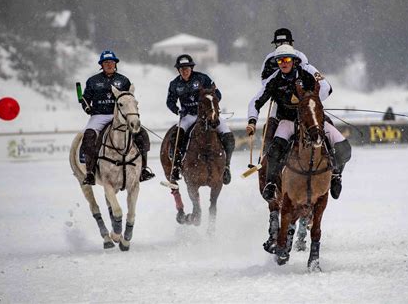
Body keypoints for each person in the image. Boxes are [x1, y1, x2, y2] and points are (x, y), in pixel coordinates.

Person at [246, 45, 351, 201]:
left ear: (294, 61)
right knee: (274, 151)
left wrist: (310, 101)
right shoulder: (274, 79)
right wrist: (252, 121)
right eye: (280, 60)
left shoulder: (306, 72)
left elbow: (326, 89)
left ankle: (336, 175)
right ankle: (271, 183)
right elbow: (256, 101)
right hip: (288, 121)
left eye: (287, 59)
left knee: (344, 147)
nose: (283, 63)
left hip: (311, 119)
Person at [80, 50, 155, 185]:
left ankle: (143, 169)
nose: (109, 65)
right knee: (89, 135)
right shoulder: (93, 81)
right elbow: (85, 99)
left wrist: (131, 112)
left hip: (120, 116)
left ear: (115, 64)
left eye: (112, 62)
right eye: (106, 63)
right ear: (101, 65)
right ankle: (90, 172)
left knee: (142, 134)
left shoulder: (123, 80)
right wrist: (87, 108)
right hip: (99, 116)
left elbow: (129, 99)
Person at [258, 28, 333, 152]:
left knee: (325, 125)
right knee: (269, 131)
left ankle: (332, 156)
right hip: (281, 100)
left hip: (304, 98)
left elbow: (311, 75)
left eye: (285, 43)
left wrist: (310, 101)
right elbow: (264, 81)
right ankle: (266, 158)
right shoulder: (269, 60)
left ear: (291, 43)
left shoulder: (301, 57)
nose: (282, 46)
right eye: (278, 43)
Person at [166, 54, 235, 184]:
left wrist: (211, 106)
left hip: (208, 114)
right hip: (189, 116)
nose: (184, 71)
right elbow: (170, 102)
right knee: (177, 136)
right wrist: (177, 110)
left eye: (186, 68)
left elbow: (217, 94)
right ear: (178, 70)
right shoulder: (175, 84)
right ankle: (176, 166)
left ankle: (226, 167)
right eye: (181, 69)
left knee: (228, 136)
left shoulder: (203, 78)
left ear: (191, 68)